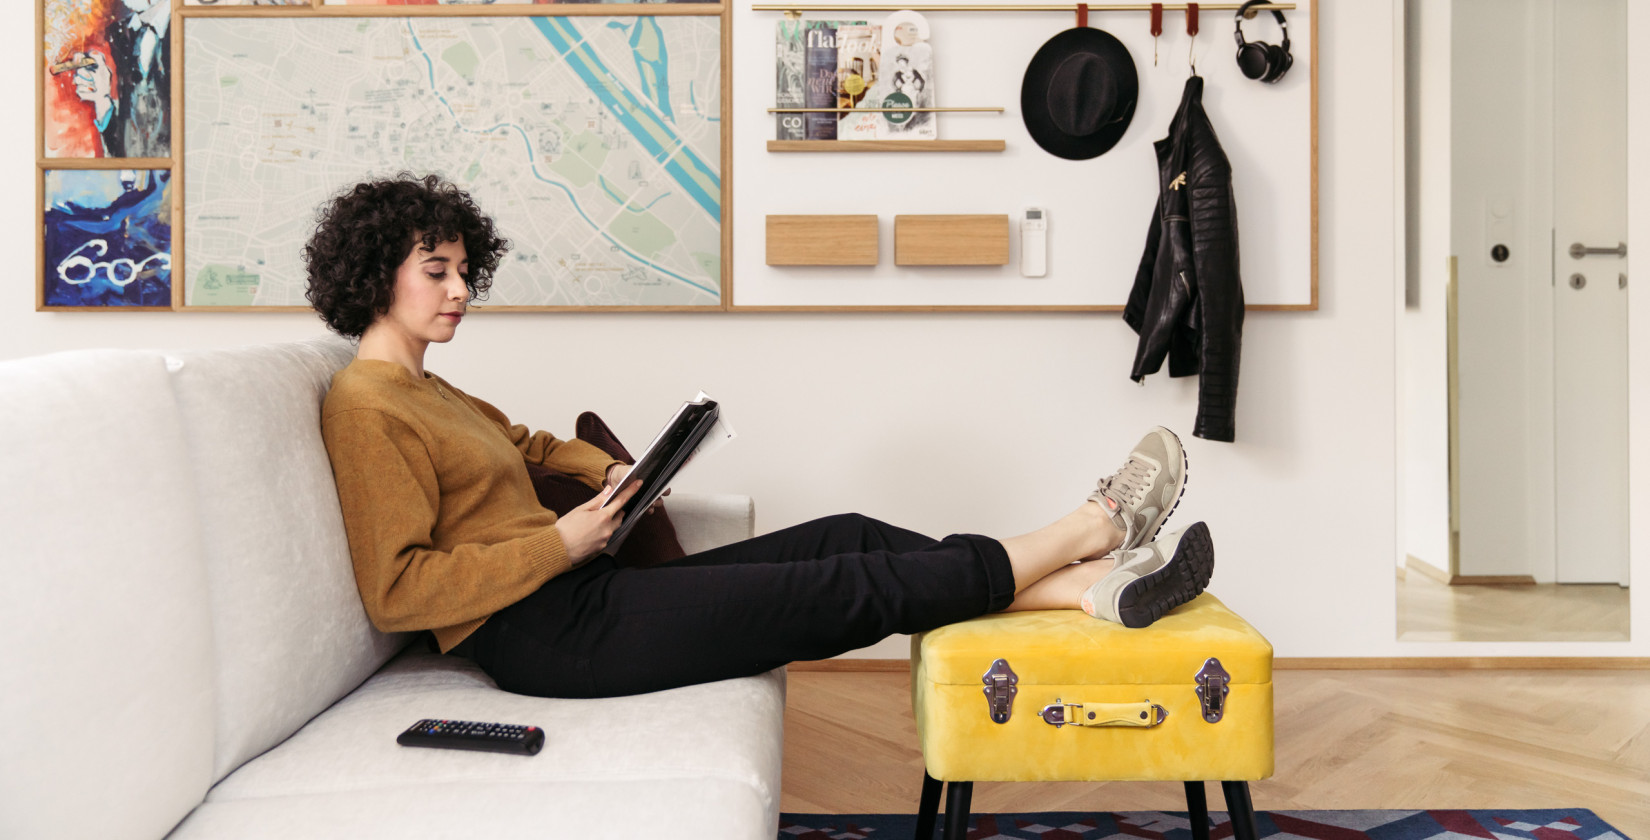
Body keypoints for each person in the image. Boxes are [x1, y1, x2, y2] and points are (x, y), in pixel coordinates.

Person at [307, 173, 1215, 700]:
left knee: (848, 535)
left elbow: (534, 446)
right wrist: (557, 540)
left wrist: (619, 474)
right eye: (438, 272)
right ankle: (1095, 527)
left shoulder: (430, 388)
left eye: (466, 271)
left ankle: (1089, 593)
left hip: (581, 588)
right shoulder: (364, 406)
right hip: (542, 637)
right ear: (374, 277)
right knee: (845, 586)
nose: (461, 289)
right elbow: (396, 589)